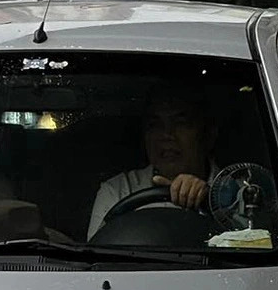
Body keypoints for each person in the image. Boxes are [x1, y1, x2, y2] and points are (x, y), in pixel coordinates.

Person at [87, 93, 218, 236]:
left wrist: (209, 200)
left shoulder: (240, 193)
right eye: (155, 125)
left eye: (180, 123)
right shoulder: (119, 190)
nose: (167, 135)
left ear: (208, 135)